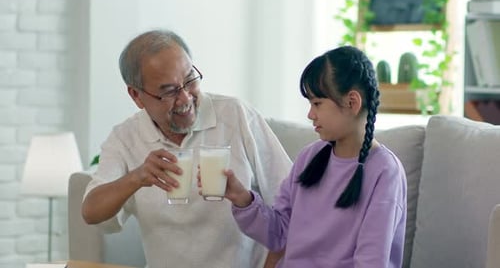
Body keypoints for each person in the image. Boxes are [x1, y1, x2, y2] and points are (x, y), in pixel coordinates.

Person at [81, 29, 292, 268]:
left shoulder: (236, 115)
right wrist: (137, 177)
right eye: (169, 91)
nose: (185, 99)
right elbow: (91, 211)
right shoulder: (125, 138)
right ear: (136, 96)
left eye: (190, 80)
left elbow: (295, 205)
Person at [219, 46, 407, 267]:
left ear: (352, 102)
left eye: (317, 103)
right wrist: (242, 199)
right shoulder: (309, 157)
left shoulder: (385, 172)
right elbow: (278, 234)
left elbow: (371, 261)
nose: (310, 114)